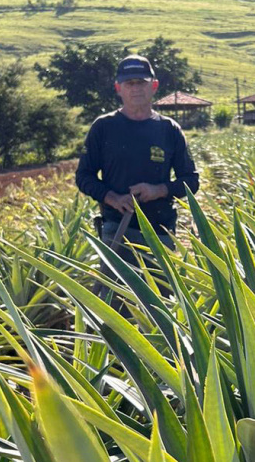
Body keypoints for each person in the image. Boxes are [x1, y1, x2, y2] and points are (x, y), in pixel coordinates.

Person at [76, 54, 199, 308]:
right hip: (117, 231)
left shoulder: (169, 129)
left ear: (153, 86)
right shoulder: (103, 127)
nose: (135, 88)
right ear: (118, 88)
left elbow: (191, 180)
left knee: (160, 305)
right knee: (116, 306)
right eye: (129, 83)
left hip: (161, 232)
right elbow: (84, 176)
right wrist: (113, 198)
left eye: (141, 82)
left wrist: (159, 190)